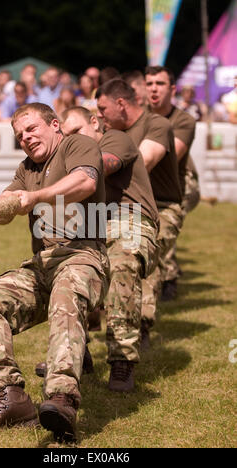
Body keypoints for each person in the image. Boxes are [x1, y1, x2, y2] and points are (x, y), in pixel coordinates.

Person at [0, 102, 110, 442]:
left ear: (55, 125)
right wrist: (1, 206)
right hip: (42, 263)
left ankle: (61, 400)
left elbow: (84, 183)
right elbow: (7, 205)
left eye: (31, 129)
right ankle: (11, 397)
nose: (26, 138)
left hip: (82, 255)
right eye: (19, 135)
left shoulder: (78, 145)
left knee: (65, 296)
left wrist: (36, 197)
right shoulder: (26, 168)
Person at [60, 106, 160, 392]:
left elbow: (101, 166)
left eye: (77, 131)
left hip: (131, 219)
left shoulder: (115, 138)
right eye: (66, 136)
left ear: (95, 122)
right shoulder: (69, 157)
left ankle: (122, 359)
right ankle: (75, 354)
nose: (73, 139)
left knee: (121, 262)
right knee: (64, 270)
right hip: (94, 226)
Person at [96, 79, 183, 348]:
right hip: (122, 209)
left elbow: (143, 162)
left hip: (162, 206)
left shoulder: (157, 124)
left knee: (140, 256)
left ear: (121, 104)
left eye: (102, 109)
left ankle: (141, 324)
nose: (99, 116)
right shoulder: (110, 132)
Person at [145, 66, 200, 301]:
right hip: (148, 182)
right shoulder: (140, 116)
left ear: (173, 89)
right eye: (149, 83)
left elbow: (169, 157)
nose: (154, 89)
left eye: (160, 83)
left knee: (163, 226)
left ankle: (169, 278)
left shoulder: (183, 120)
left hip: (183, 183)